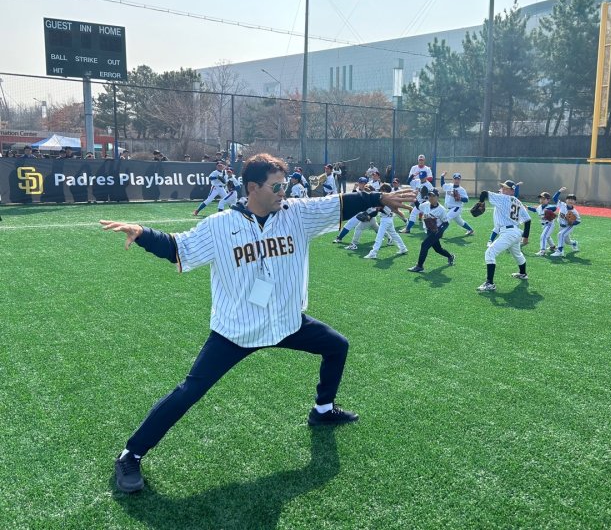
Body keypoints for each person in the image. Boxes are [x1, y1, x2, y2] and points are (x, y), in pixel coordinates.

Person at [101, 152, 416, 493]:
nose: (284, 191)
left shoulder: (297, 215)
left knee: (337, 346)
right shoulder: (221, 225)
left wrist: (379, 197)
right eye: (276, 186)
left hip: (287, 321)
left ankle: (322, 409)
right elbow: (179, 247)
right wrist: (142, 233)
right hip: (238, 330)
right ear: (253, 187)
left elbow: (338, 202)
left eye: (285, 185)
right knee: (190, 391)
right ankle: (130, 455)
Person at [476, 180, 532, 292]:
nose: (503, 189)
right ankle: (523, 273)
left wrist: (481, 202)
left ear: (512, 191)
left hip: (508, 233)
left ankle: (490, 284)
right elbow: (528, 220)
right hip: (515, 232)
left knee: (490, 252)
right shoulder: (517, 201)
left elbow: (483, 193)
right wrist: (525, 236)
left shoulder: (503, 198)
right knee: (517, 254)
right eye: (503, 187)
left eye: (506, 188)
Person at [407, 189, 455, 272]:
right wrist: (415, 200)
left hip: (437, 231)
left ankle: (419, 266)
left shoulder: (441, 209)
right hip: (429, 231)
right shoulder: (426, 204)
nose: (431, 197)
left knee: (424, 245)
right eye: (430, 195)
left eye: (433, 196)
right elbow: (419, 206)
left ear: (437, 197)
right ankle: (450, 256)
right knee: (438, 249)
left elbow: (446, 223)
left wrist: (439, 231)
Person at [364, 183, 409, 259]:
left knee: (379, 236)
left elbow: (384, 209)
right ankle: (403, 248)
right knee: (394, 234)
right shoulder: (388, 197)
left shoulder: (387, 199)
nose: (380, 191)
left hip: (386, 219)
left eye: (382, 190)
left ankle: (373, 253)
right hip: (388, 219)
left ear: (385, 190)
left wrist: (377, 209)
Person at [526, 187, 566, 256]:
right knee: (547, 236)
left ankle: (542, 251)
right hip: (544, 225)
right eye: (540, 198)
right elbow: (534, 209)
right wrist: (528, 207)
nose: (541, 200)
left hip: (549, 224)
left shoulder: (550, 206)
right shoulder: (539, 207)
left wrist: (551, 211)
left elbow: (555, 208)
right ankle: (553, 247)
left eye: (544, 199)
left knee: (543, 236)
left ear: (548, 200)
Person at [439, 172, 475, 236]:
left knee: (447, 218)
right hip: (450, 208)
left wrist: (459, 198)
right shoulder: (449, 186)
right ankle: (470, 230)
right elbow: (442, 185)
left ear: (460, 180)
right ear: (453, 179)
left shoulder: (461, 190)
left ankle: (439, 233)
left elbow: (466, 200)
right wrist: (442, 177)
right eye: (455, 179)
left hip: (457, 208)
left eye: (458, 179)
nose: (457, 180)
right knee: (460, 222)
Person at [550, 193, 581, 258]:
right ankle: (574, 243)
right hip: (561, 226)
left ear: (574, 202)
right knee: (567, 241)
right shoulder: (562, 205)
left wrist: (571, 223)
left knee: (560, 234)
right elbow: (554, 198)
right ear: (566, 200)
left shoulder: (574, 212)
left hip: (569, 227)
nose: (570, 201)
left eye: (572, 200)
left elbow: (578, 221)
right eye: (569, 199)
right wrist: (559, 191)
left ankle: (560, 251)